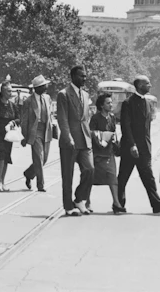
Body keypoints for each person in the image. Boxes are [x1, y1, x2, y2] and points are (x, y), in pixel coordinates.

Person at [117, 75, 160, 214]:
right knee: (123, 177)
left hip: (144, 148)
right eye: (147, 83)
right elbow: (126, 126)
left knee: (148, 177)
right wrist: (132, 144)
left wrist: (148, 145)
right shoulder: (128, 103)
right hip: (131, 147)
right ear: (140, 85)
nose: (150, 85)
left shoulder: (147, 102)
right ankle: (118, 204)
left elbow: (147, 128)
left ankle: (156, 205)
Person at [56, 66, 94, 216]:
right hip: (69, 142)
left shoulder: (85, 94)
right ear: (72, 76)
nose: (84, 79)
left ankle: (79, 199)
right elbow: (62, 118)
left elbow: (85, 119)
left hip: (85, 140)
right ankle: (68, 206)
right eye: (80, 76)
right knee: (68, 175)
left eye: (85, 76)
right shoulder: (63, 94)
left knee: (90, 169)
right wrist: (68, 137)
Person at [90, 93, 125, 214]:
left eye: (111, 102)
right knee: (91, 177)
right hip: (97, 154)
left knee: (112, 177)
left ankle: (116, 202)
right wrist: (104, 136)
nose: (111, 105)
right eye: (108, 103)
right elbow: (92, 133)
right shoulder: (95, 118)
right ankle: (87, 201)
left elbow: (114, 132)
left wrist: (116, 143)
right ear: (101, 105)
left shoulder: (112, 118)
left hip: (109, 152)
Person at [22, 75, 54, 192]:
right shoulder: (28, 101)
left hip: (46, 130)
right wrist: (24, 136)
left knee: (44, 159)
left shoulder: (47, 98)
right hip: (35, 131)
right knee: (38, 158)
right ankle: (40, 185)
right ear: (37, 88)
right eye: (43, 86)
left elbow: (51, 115)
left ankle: (29, 173)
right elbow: (24, 120)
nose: (46, 87)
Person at [0, 80, 20, 191]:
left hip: (8, 135)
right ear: (3, 92)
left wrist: (13, 122)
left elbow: (19, 118)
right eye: (8, 91)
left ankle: (3, 181)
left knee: (6, 157)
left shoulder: (13, 106)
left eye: (11, 91)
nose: (10, 93)